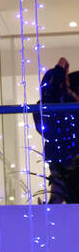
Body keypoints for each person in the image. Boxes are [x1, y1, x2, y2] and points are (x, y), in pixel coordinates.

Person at [37, 58, 77, 204]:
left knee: (60, 188)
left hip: (61, 157)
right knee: (61, 187)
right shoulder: (51, 106)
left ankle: (53, 213)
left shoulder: (63, 104)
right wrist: (60, 69)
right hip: (62, 158)